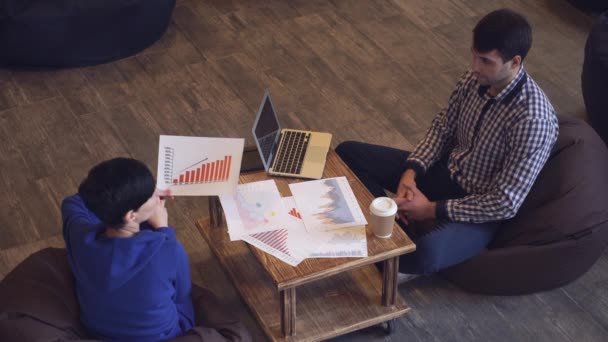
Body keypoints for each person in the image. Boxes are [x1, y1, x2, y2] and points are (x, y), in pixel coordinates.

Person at [336, 9, 559, 277]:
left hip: (478, 206)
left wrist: (432, 209)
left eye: (486, 61)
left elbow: (504, 203)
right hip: (445, 173)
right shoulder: (473, 79)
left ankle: (402, 228)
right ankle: (401, 224)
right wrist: (411, 173)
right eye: (474, 55)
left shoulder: (533, 120)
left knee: (427, 252)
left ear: (515, 62)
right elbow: (443, 129)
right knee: (347, 154)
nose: (475, 67)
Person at [62, 158, 250, 341]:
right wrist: (163, 229)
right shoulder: (168, 249)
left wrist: (135, 194)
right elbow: (182, 293)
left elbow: (72, 202)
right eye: (150, 195)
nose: (155, 194)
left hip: (98, 330)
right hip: (162, 335)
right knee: (183, 295)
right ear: (131, 215)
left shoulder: (78, 236)